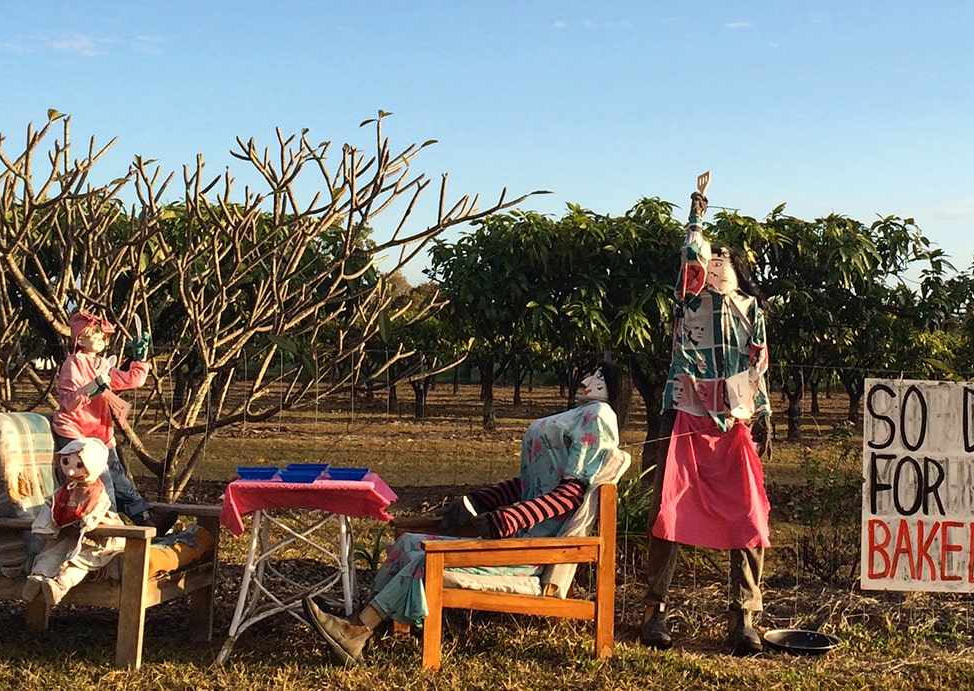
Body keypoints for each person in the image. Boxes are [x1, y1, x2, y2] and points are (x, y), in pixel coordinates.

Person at [303, 362, 626, 665]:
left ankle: (356, 632)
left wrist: (510, 519)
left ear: (613, 387)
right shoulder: (580, 414)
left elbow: (572, 493)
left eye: (598, 377)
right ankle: (364, 618)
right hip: (517, 538)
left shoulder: (599, 418)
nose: (587, 380)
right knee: (408, 542)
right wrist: (475, 502)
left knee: (423, 560)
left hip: (532, 551)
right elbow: (527, 484)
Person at [641, 183, 774, 655]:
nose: (714, 267)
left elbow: (759, 365)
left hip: (735, 425)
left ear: (739, 274)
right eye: (708, 262)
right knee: (669, 511)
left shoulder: (752, 311)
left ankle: (744, 617)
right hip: (687, 419)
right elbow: (690, 257)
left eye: (723, 263)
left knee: (750, 515)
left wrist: (761, 415)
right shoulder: (691, 301)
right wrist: (697, 217)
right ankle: (655, 612)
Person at [50, 310, 161, 530]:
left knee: (120, 480)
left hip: (100, 433)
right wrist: (91, 389)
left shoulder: (100, 365)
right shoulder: (73, 363)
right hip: (76, 433)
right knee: (104, 483)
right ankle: (110, 531)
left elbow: (131, 380)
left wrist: (140, 359)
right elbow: (68, 402)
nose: (101, 340)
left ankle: (147, 519)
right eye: (96, 336)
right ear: (80, 340)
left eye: (103, 336)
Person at [23, 437, 127, 605]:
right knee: (50, 554)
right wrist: (44, 525)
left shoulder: (96, 492)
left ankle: (59, 585)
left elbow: (98, 508)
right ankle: (37, 578)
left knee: (79, 561)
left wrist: (87, 522)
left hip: (92, 540)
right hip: (65, 535)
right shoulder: (63, 491)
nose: (71, 472)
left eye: (79, 465)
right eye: (65, 462)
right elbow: (51, 504)